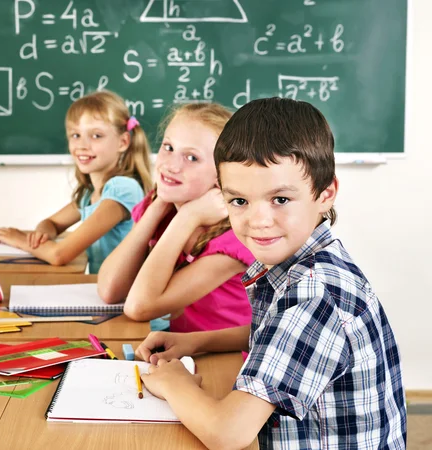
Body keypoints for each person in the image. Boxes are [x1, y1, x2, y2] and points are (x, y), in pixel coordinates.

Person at [135, 98, 407, 450]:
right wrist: (197, 342)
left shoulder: (314, 294)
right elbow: (276, 333)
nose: (258, 221)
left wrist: (174, 382)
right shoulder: (305, 259)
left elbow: (227, 433)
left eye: (280, 199)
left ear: (326, 194)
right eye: (239, 201)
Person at [98, 103, 254, 333]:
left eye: (191, 157)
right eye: (168, 147)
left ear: (224, 175)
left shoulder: (234, 239)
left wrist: (188, 217)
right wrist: (159, 204)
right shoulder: (165, 208)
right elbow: (111, 290)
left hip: (226, 362)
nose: (171, 165)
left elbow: (139, 307)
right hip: (180, 351)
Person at [0, 90, 152, 274]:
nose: (82, 145)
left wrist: (21, 240)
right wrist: (43, 232)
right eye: (75, 135)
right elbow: (51, 223)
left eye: (96, 136)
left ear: (123, 142)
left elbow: (59, 255)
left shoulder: (123, 189)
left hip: (124, 300)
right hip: (99, 291)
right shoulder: (89, 194)